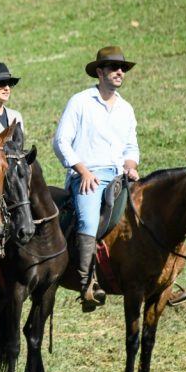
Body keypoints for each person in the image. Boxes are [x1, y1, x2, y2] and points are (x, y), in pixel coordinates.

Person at [53, 46, 139, 312]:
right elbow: (61, 142)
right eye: (114, 68)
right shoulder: (80, 101)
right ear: (99, 71)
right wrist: (83, 171)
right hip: (87, 176)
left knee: (146, 214)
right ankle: (85, 284)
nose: (119, 72)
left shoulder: (126, 108)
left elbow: (131, 147)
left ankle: (156, 276)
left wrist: (131, 165)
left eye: (122, 68)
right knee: (89, 220)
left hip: (119, 176)